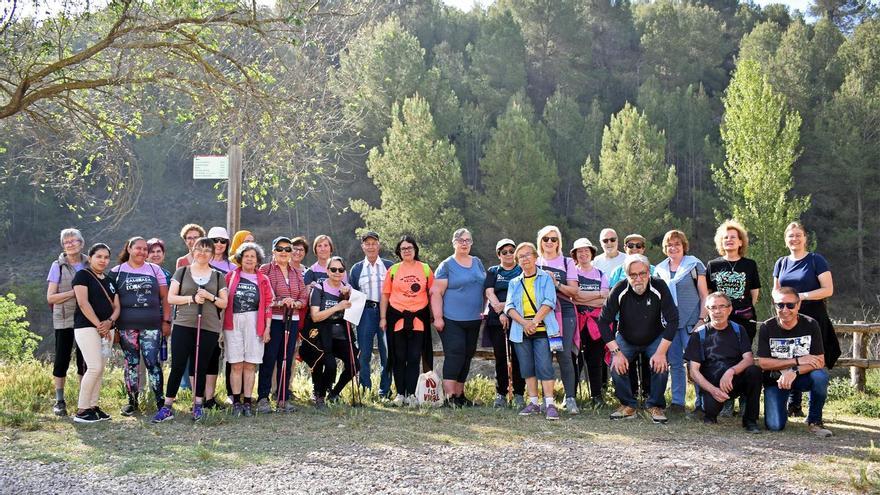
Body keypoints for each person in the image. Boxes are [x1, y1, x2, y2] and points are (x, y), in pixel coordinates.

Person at [153, 237, 228, 423]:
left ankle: (198, 405)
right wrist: (192, 299)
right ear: (193, 251)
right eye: (199, 249)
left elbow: (224, 302)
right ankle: (167, 406)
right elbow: (171, 298)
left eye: (207, 250)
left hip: (208, 326)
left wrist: (209, 296)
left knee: (200, 366)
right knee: (178, 365)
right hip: (183, 324)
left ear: (212, 254)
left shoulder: (218, 276)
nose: (202, 253)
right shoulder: (182, 271)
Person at [598, 254, 678, 423]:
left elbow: (673, 320)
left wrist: (661, 352)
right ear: (627, 276)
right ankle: (628, 405)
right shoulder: (619, 288)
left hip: (654, 337)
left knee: (660, 365)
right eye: (633, 275)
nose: (638, 279)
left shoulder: (659, 286)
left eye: (642, 273)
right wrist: (617, 353)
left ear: (649, 273)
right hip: (626, 337)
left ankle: (654, 405)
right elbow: (604, 322)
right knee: (616, 365)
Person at [773, 221, 840, 418]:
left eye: (798, 235)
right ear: (786, 240)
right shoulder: (781, 263)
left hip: (813, 318)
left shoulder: (815, 260)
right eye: (790, 236)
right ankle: (793, 404)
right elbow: (775, 290)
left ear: (805, 238)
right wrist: (782, 305)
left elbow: (828, 289)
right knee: (791, 356)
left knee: (814, 362)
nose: (794, 239)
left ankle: (814, 411)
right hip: (789, 318)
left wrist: (801, 296)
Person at [757, 287, 832, 438]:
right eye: (780, 305)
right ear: (774, 305)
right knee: (775, 426)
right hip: (775, 379)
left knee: (820, 377)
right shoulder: (767, 326)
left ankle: (815, 421)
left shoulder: (811, 324)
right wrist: (797, 360)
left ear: (798, 305)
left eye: (790, 305)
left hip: (802, 377)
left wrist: (794, 370)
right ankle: (781, 409)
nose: (785, 309)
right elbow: (763, 363)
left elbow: (819, 361)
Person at [685, 292, 762, 433]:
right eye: (713, 307)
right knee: (710, 414)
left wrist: (731, 371)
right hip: (712, 386)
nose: (717, 311)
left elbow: (749, 358)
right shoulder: (699, 334)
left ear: (730, 309)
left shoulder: (739, 330)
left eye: (722, 306)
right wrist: (712, 390)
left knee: (754, 371)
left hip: (734, 380)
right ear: (707, 310)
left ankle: (750, 420)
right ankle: (709, 413)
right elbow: (693, 371)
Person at [110, 237, 171, 415]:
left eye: (145, 249)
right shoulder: (117, 272)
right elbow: (111, 302)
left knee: (153, 363)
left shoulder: (155, 269)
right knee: (131, 363)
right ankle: (132, 402)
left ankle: (160, 401)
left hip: (152, 326)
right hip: (126, 327)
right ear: (129, 249)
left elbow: (165, 298)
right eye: (138, 248)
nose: (142, 252)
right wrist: (112, 325)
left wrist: (166, 321)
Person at [504, 242, 561, 421]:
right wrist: (524, 323)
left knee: (544, 366)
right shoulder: (514, 282)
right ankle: (534, 403)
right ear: (517, 261)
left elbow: (549, 301)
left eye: (528, 255)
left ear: (536, 257)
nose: (525, 259)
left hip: (543, 329)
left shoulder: (545, 278)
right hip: (520, 331)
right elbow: (509, 306)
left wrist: (534, 322)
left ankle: (550, 404)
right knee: (527, 367)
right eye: (521, 256)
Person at [431, 228, 486, 406]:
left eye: (468, 240)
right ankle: (449, 396)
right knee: (455, 353)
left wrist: (485, 309)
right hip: (451, 319)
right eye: (461, 240)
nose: (464, 243)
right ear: (454, 242)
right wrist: (438, 318)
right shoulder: (446, 265)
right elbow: (436, 292)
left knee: (467, 355)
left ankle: (460, 396)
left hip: (474, 319)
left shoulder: (477, 262)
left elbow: (484, 287)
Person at [655, 230, 708, 415]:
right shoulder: (659, 269)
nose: (673, 247)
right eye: (669, 244)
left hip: (692, 322)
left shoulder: (694, 265)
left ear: (683, 246)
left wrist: (702, 319)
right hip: (670, 324)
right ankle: (678, 403)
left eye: (677, 244)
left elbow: (704, 295)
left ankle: (701, 403)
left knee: (697, 362)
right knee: (675, 363)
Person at [380, 236, 434, 406]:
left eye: (409, 247)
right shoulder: (393, 270)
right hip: (397, 318)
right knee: (398, 356)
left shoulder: (425, 269)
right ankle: (400, 394)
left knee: (413, 357)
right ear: (399, 251)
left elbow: (433, 294)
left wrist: (435, 315)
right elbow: (386, 295)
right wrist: (383, 317)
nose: (407, 251)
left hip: (419, 318)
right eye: (403, 248)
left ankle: (411, 394)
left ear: (415, 249)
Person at [257, 236, 308, 413]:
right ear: (273, 251)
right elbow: (263, 295)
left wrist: (298, 303)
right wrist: (280, 301)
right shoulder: (265, 270)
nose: (284, 252)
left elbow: (303, 295)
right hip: (273, 321)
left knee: (286, 359)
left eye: (288, 249)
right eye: (280, 249)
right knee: (269, 358)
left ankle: (283, 398)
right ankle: (263, 398)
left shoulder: (296, 272)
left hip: (291, 320)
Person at [71, 243, 120, 423]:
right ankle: (82, 410)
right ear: (90, 258)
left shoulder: (109, 280)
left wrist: (110, 322)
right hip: (87, 327)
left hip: (107, 328)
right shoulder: (82, 275)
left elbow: (117, 307)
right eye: (99, 256)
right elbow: (83, 303)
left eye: (106, 257)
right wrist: (100, 325)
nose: (103, 260)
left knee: (100, 369)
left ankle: (93, 406)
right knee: (94, 367)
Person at [223, 242, 273, 417]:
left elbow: (268, 306)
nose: (250, 259)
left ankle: (247, 402)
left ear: (257, 259)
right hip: (233, 321)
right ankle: (236, 401)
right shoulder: (230, 277)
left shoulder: (263, 279)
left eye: (253, 256)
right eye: (246, 256)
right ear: (240, 259)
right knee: (236, 363)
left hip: (255, 321)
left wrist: (267, 328)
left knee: (250, 364)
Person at [535, 225, 580, 415]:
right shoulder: (535, 261)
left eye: (554, 239)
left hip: (564, 313)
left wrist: (556, 283)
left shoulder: (567, 262)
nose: (550, 242)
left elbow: (574, 291)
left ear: (559, 242)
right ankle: (547, 399)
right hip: (541, 314)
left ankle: (570, 399)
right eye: (546, 239)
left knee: (563, 355)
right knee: (543, 357)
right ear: (540, 241)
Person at [47, 228, 89, 416]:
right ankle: (59, 400)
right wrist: (75, 292)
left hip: (86, 318)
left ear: (81, 243)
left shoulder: (90, 263)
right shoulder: (58, 265)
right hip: (64, 319)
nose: (70, 244)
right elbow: (51, 297)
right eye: (66, 242)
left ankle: (84, 400)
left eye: (74, 241)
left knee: (84, 361)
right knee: (61, 360)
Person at [607, 233, 654, 402]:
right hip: (624, 323)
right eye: (630, 245)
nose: (635, 248)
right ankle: (632, 394)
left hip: (649, 324)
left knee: (649, 361)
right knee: (627, 361)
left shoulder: (653, 270)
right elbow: (611, 299)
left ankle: (649, 394)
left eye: (639, 245)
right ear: (624, 248)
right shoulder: (617, 272)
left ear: (644, 248)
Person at [349, 231, 394, 398]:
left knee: (387, 353)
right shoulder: (357, 268)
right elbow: (352, 293)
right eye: (367, 243)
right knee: (364, 353)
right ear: (363, 247)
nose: (370, 246)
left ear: (379, 245)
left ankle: (385, 391)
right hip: (365, 313)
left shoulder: (389, 266)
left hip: (386, 313)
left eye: (373, 243)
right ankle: (365, 390)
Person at [310, 256, 359, 407]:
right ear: (327, 270)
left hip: (343, 334)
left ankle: (334, 393)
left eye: (341, 270)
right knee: (330, 365)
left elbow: (355, 315)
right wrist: (337, 306)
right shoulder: (319, 288)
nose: (337, 272)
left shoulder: (348, 289)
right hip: (323, 334)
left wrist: (348, 296)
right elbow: (315, 317)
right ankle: (320, 394)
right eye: (333, 269)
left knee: (354, 365)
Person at [484, 238, 525, 408]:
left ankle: (519, 394)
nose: (508, 254)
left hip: (519, 318)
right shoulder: (493, 271)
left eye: (511, 251)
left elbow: (524, 292)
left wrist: (507, 307)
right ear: (499, 254)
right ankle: (500, 393)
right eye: (504, 252)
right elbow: (489, 292)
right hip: (497, 319)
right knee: (501, 357)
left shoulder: (522, 270)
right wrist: (501, 311)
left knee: (518, 357)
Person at [706, 220, 761, 343]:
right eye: (726, 237)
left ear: (741, 242)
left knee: (743, 353)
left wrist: (744, 307)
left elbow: (754, 293)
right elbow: (709, 293)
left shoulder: (750, 264)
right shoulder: (713, 265)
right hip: (719, 318)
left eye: (733, 237)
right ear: (721, 242)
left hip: (744, 319)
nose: (729, 240)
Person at [570, 238, 609, 407]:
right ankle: (571, 396)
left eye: (586, 250)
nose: (583, 254)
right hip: (576, 323)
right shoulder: (571, 274)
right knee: (574, 359)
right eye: (580, 251)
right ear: (575, 255)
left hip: (596, 324)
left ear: (592, 253)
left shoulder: (600, 274)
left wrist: (582, 297)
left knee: (596, 360)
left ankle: (597, 396)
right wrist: (597, 295)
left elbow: (606, 299)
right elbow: (573, 297)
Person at [203, 226, 233, 408]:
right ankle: (198, 396)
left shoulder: (232, 266)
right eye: (215, 240)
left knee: (216, 355)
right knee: (202, 356)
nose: (219, 244)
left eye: (223, 241)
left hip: (223, 314)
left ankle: (210, 397)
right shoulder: (201, 262)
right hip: (203, 314)